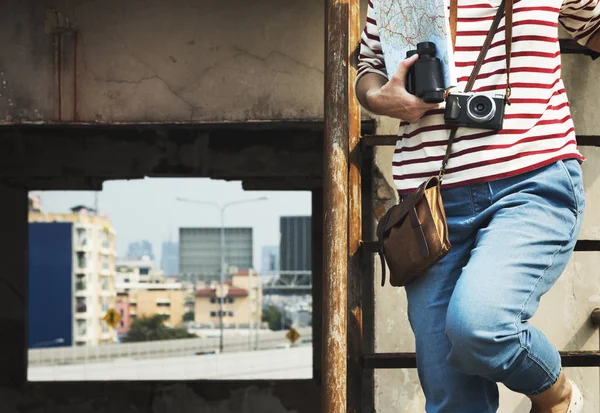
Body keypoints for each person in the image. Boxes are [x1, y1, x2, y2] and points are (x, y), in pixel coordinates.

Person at [355, 1, 600, 412]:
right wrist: (383, 100)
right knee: (450, 395)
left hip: (531, 183)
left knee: (481, 328)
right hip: (429, 210)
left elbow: (593, 24)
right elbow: (368, 69)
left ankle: (556, 396)